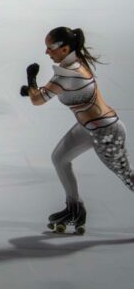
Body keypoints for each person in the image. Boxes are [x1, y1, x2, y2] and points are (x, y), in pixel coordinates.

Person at [21, 27, 134, 234]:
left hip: (106, 131)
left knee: (127, 176)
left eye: (50, 48)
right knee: (59, 158)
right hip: (89, 126)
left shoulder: (67, 75)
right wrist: (31, 89)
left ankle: (75, 209)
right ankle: (75, 209)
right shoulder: (74, 63)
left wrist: (31, 79)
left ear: (64, 49)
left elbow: (37, 100)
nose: (47, 52)